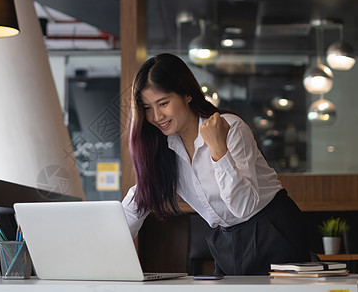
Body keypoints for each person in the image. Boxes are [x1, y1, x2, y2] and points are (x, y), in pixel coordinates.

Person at [122, 53, 310, 275]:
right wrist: (99, 243)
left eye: (163, 103)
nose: (156, 116)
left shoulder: (230, 127)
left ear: (187, 94)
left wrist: (218, 150)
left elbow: (243, 207)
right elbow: (139, 201)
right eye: (147, 107)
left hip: (271, 229)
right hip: (227, 239)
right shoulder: (162, 147)